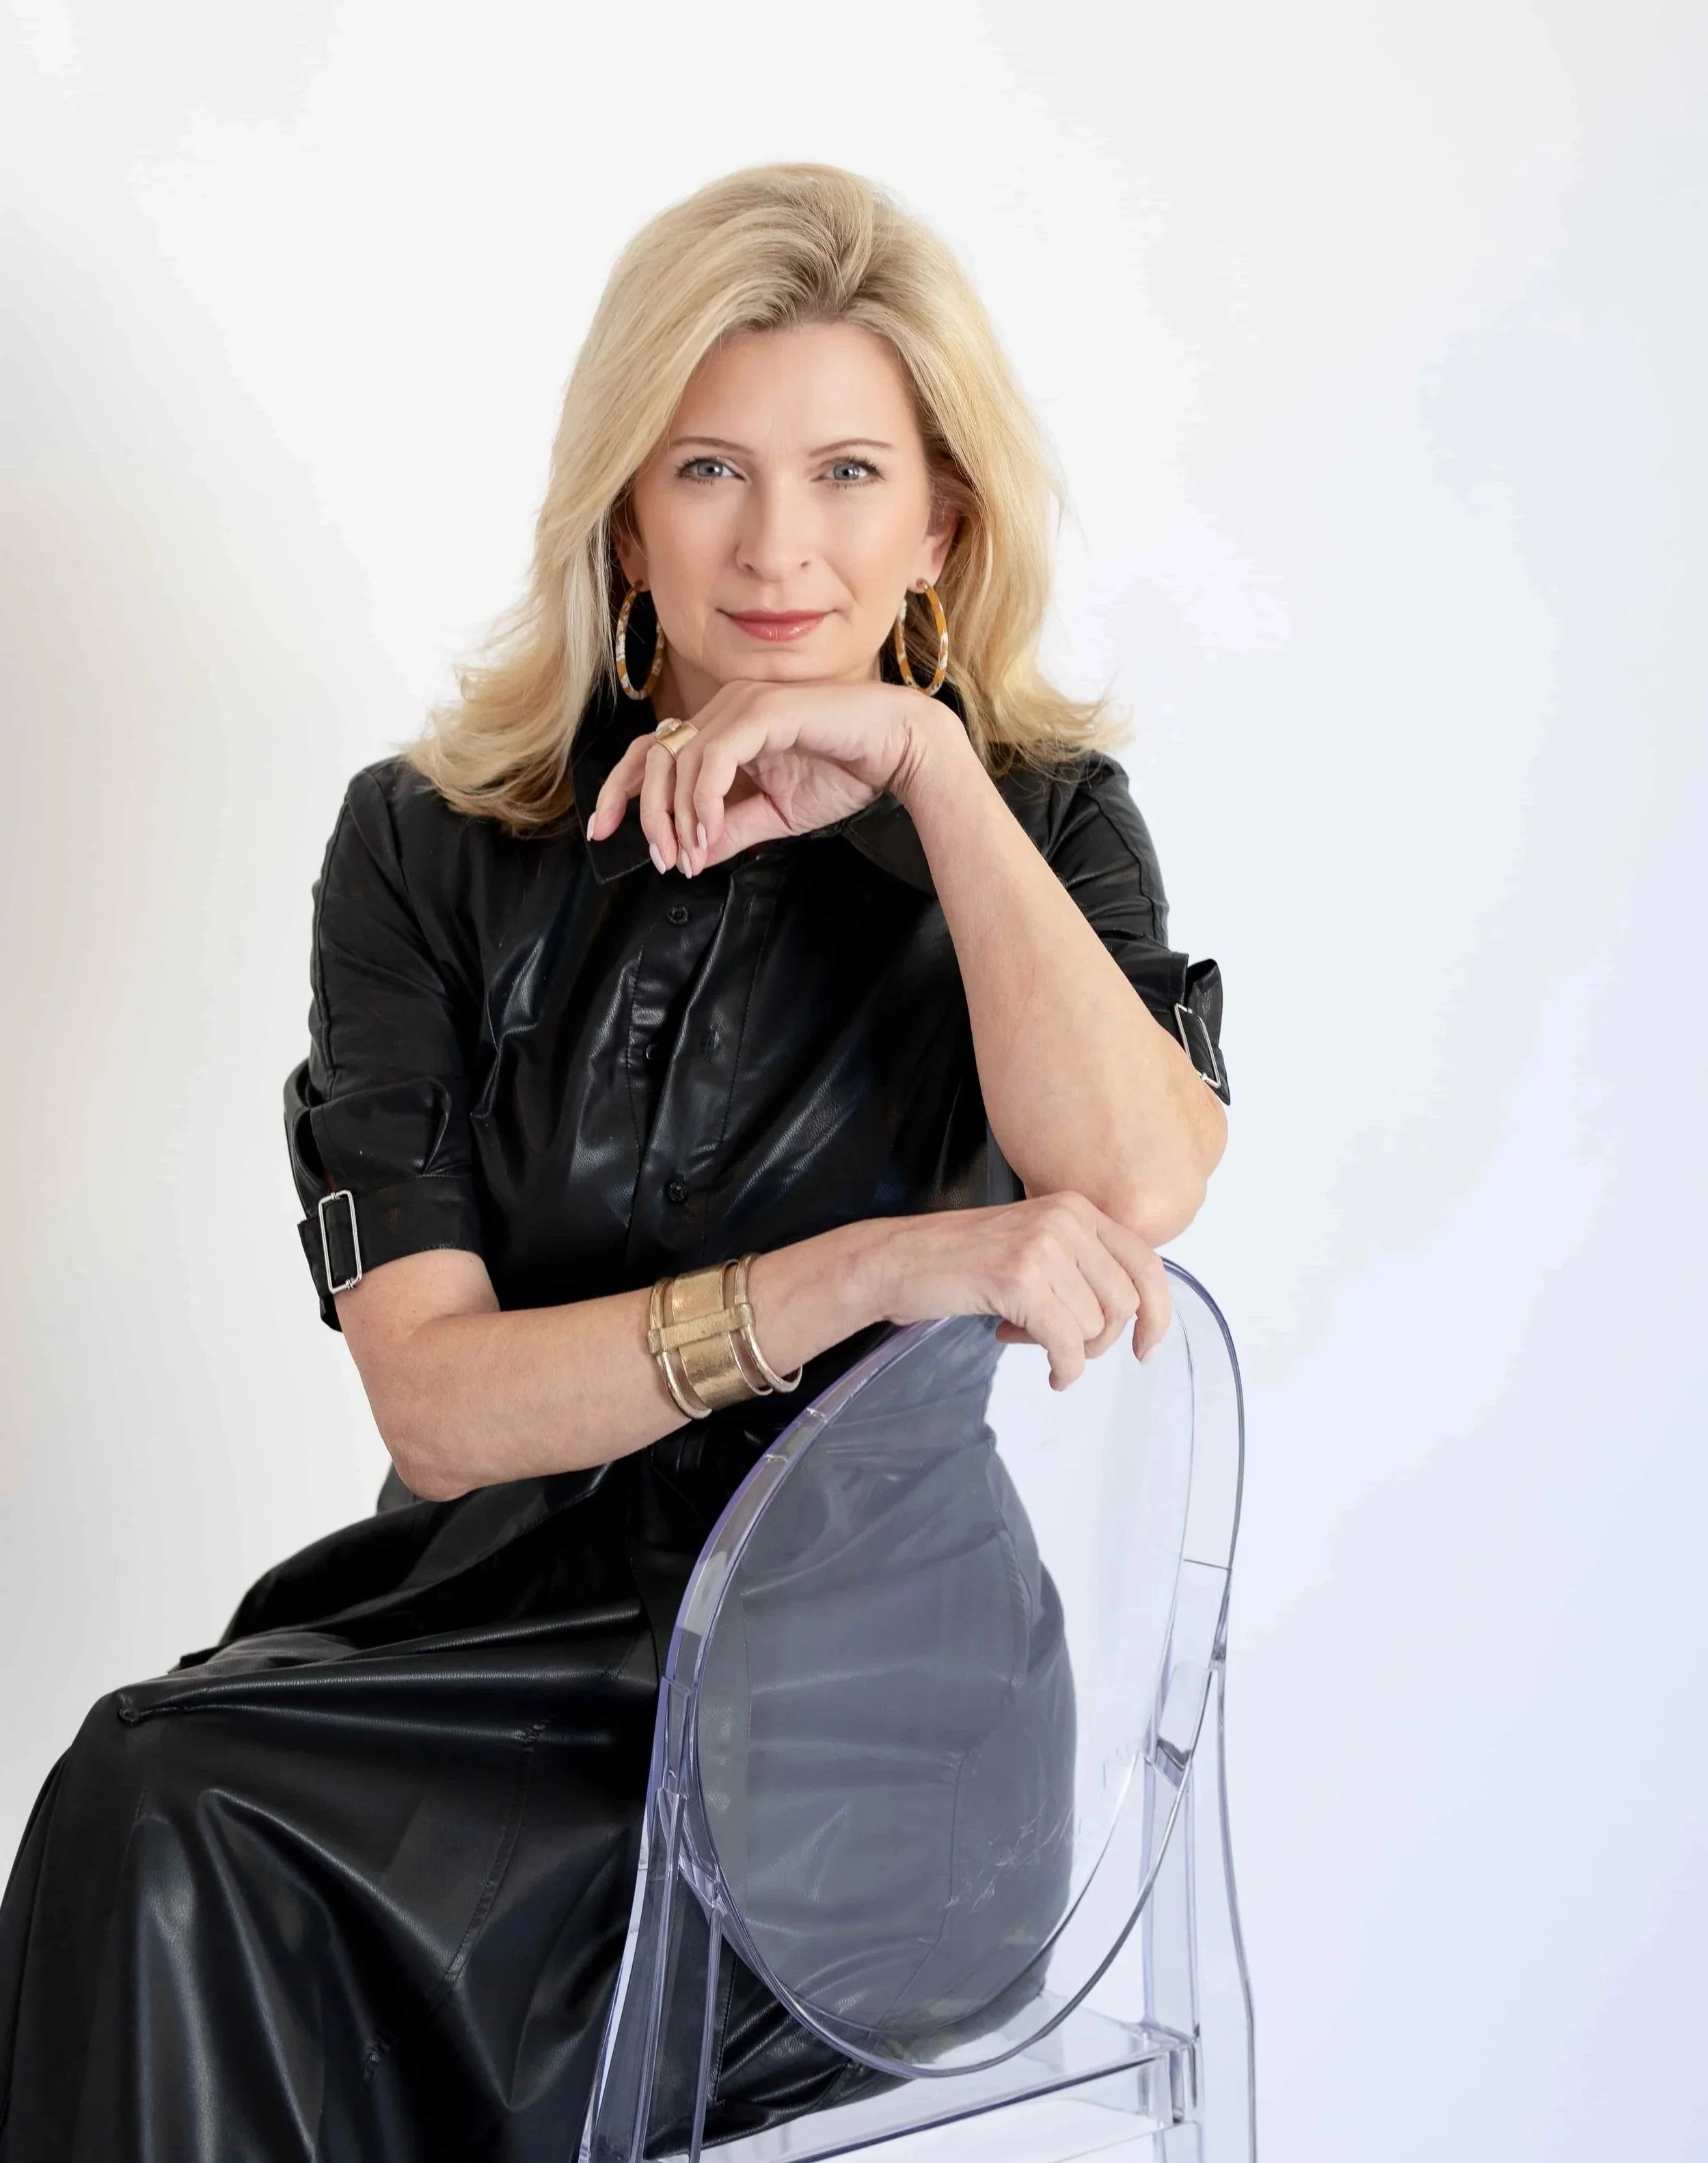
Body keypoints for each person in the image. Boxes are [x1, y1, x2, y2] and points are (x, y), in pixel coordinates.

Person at [0, 163, 1231, 2160]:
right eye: (709, 470)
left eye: (848, 473)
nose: (780, 548)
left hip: (874, 1734)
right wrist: (856, 1273)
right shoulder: (427, 844)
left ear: (942, 525)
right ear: (624, 518)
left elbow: (1141, 1178)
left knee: (191, 1857)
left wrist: (926, 769)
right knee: (150, 1812)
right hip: (493, 1653)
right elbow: (444, 1400)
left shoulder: (1034, 822)